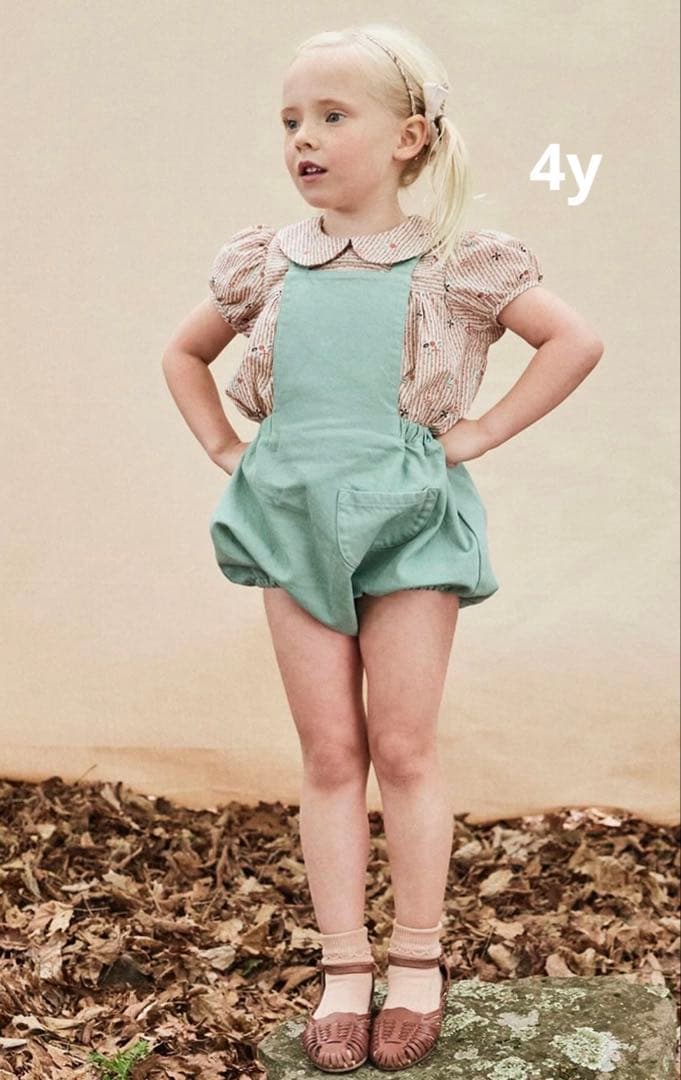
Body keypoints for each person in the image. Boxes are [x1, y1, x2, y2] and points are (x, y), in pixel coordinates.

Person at [161, 21, 603, 1073]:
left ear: (408, 137)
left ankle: (415, 960)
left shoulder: (456, 263)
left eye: (331, 116)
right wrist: (226, 447)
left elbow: (573, 339)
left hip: (408, 520)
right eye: (290, 120)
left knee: (402, 748)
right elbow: (182, 354)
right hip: (291, 518)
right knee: (329, 755)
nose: (303, 138)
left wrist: (480, 433)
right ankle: (343, 966)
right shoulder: (267, 262)